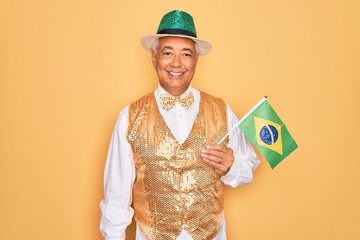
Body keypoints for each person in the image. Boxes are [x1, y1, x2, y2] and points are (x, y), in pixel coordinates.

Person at [100, 10, 260, 240]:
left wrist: (232, 166)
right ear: (154, 58)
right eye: (167, 53)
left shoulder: (221, 110)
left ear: (196, 60)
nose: (176, 63)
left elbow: (250, 164)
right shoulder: (129, 116)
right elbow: (116, 196)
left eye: (186, 54)